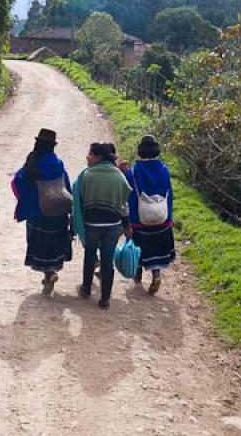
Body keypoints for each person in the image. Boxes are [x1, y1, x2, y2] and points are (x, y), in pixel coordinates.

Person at [12, 129, 73, 295]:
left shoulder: (32, 163)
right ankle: (50, 273)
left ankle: (49, 274)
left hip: (38, 213)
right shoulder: (58, 164)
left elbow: (17, 182)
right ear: (53, 146)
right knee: (53, 245)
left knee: (40, 245)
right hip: (58, 211)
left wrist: (26, 201)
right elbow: (66, 186)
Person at [75, 143, 132, 309]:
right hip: (113, 226)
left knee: (90, 254)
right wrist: (127, 226)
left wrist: (76, 226)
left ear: (98, 157)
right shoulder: (119, 176)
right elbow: (124, 206)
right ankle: (105, 299)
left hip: (92, 224)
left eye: (90, 154)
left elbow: (80, 204)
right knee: (107, 261)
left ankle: (86, 289)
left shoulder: (86, 176)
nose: (87, 157)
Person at [125, 135, 175, 295]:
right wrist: (169, 218)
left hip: (140, 219)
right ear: (156, 151)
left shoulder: (133, 172)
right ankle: (156, 274)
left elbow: (129, 197)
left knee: (139, 247)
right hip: (161, 218)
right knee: (156, 250)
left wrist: (130, 221)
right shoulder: (164, 170)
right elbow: (169, 195)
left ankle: (137, 274)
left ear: (140, 152)